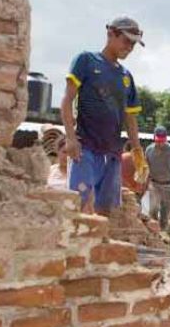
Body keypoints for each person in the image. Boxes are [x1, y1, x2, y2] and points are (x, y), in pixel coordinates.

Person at [61, 16, 149, 215]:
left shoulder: (126, 77)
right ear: (111, 33)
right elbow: (67, 100)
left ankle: (100, 245)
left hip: (112, 152)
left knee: (106, 210)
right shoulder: (86, 61)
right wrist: (70, 138)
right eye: (126, 41)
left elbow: (131, 119)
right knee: (79, 203)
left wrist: (137, 153)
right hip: (86, 149)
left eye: (133, 44)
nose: (129, 47)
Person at [145, 125, 170, 230]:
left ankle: (163, 232)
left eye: (162, 141)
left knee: (165, 212)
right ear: (154, 138)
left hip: (169, 185)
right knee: (153, 209)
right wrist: (144, 185)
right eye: (158, 141)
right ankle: (153, 231)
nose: (160, 144)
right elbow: (146, 169)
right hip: (155, 184)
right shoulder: (149, 150)